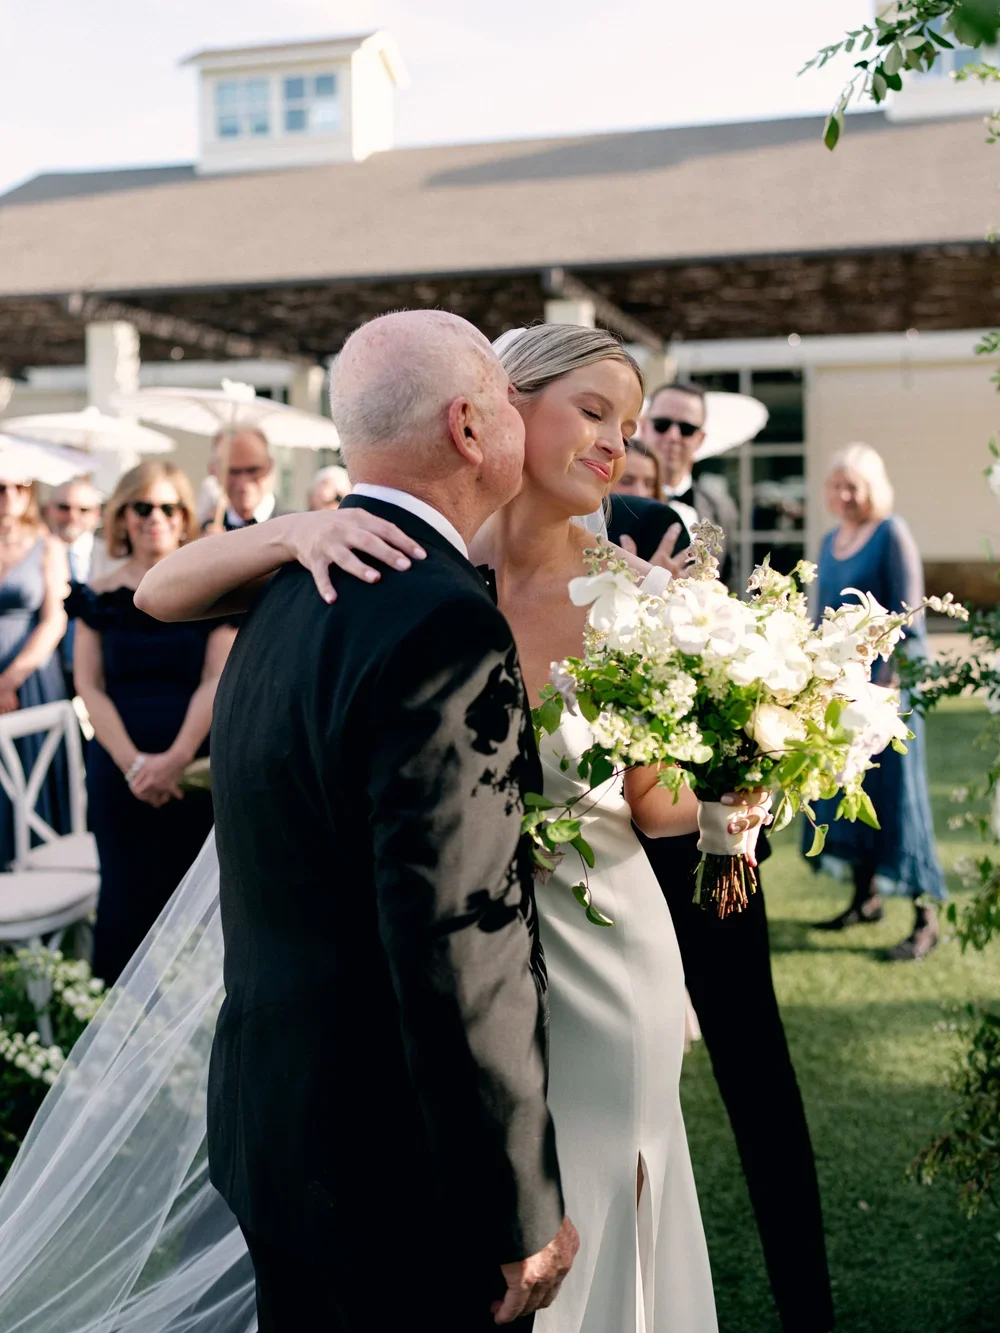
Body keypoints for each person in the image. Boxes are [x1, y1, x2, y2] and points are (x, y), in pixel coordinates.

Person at [139, 318, 771, 1333]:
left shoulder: (643, 597)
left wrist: (738, 790)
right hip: (455, 970)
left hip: (601, 958)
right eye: (593, 411)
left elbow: (652, 801)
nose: (618, 443)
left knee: (594, 1208)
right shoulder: (394, 563)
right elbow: (158, 591)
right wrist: (292, 528)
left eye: (632, 421)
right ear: (492, 418)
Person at [71, 461, 236, 984]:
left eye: (169, 507)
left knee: (198, 903)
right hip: (120, 772)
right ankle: (109, 1026)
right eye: (142, 507)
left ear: (185, 516)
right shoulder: (95, 595)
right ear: (122, 516)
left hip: (195, 771)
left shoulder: (213, 587)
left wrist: (172, 763)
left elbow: (216, 679)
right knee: (123, 898)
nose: (155, 518)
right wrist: (136, 766)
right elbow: (89, 686)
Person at [809, 442, 945, 962]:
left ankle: (925, 918)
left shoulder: (893, 533)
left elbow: (908, 618)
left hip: (889, 692)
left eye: (854, 486)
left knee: (898, 798)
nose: (844, 495)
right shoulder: (829, 540)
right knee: (848, 791)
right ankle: (864, 900)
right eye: (836, 485)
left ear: (873, 490)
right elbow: (822, 617)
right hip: (844, 689)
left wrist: (884, 694)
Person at [0, 474, 70, 867]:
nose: (10, 496)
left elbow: (53, 620)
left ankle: (36, 869)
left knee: (30, 776)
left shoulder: (48, 545)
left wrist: (10, 679)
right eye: (0, 487)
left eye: (19, 486)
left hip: (30, 680)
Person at [637, 382, 739, 585]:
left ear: (700, 439)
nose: (673, 436)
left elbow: (727, 584)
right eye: (662, 424)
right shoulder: (614, 497)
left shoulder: (721, 508)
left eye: (686, 429)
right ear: (643, 427)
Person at [44, 477, 103, 695]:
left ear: (97, 514)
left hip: (100, 675)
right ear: (50, 510)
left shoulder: (111, 558)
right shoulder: (32, 555)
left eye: (83, 510)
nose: (73, 516)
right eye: (64, 507)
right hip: (46, 673)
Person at [204, 427, 287, 532]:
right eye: (233, 471)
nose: (243, 483)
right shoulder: (199, 535)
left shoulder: (296, 530)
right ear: (213, 471)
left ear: (270, 467)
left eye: (253, 470)